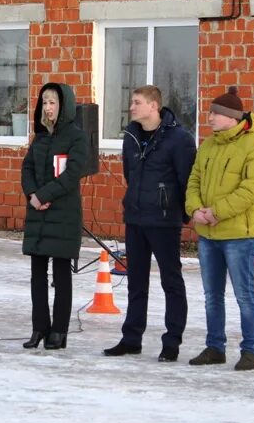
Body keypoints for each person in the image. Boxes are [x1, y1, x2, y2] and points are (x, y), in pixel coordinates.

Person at [103, 85, 197, 362]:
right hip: (136, 218)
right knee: (136, 282)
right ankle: (132, 338)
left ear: (153, 106)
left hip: (164, 221)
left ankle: (172, 342)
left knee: (171, 281)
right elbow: (129, 173)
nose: (131, 107)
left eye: (136, 102)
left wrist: (180, 213)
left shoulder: (179, 138)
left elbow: (186, 178)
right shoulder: (131, 135)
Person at [185, 86, 254, 371]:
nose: (208, 117)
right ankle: (215, 347)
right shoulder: (209, 145)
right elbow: (194, 180)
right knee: (212, 296)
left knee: (244, 295)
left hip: (238, 235)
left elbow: (252, 189)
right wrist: (195, 209)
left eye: (214, 113)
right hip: (208, 235)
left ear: (230, 117)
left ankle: (250, 351)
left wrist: (216, 212)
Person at [21, 83, 89, 350]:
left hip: (63, 213)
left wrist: (45, 195)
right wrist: (32, 195)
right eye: (45, 103)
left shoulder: (76, 137)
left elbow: (72, 175)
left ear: (64, 106)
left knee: (61, 275)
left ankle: (58, 331)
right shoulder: (40, 137)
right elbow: (26, 169)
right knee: (37, 274)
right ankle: (40, 327)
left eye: (53, 103)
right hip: (38, 212)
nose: (48, 108)